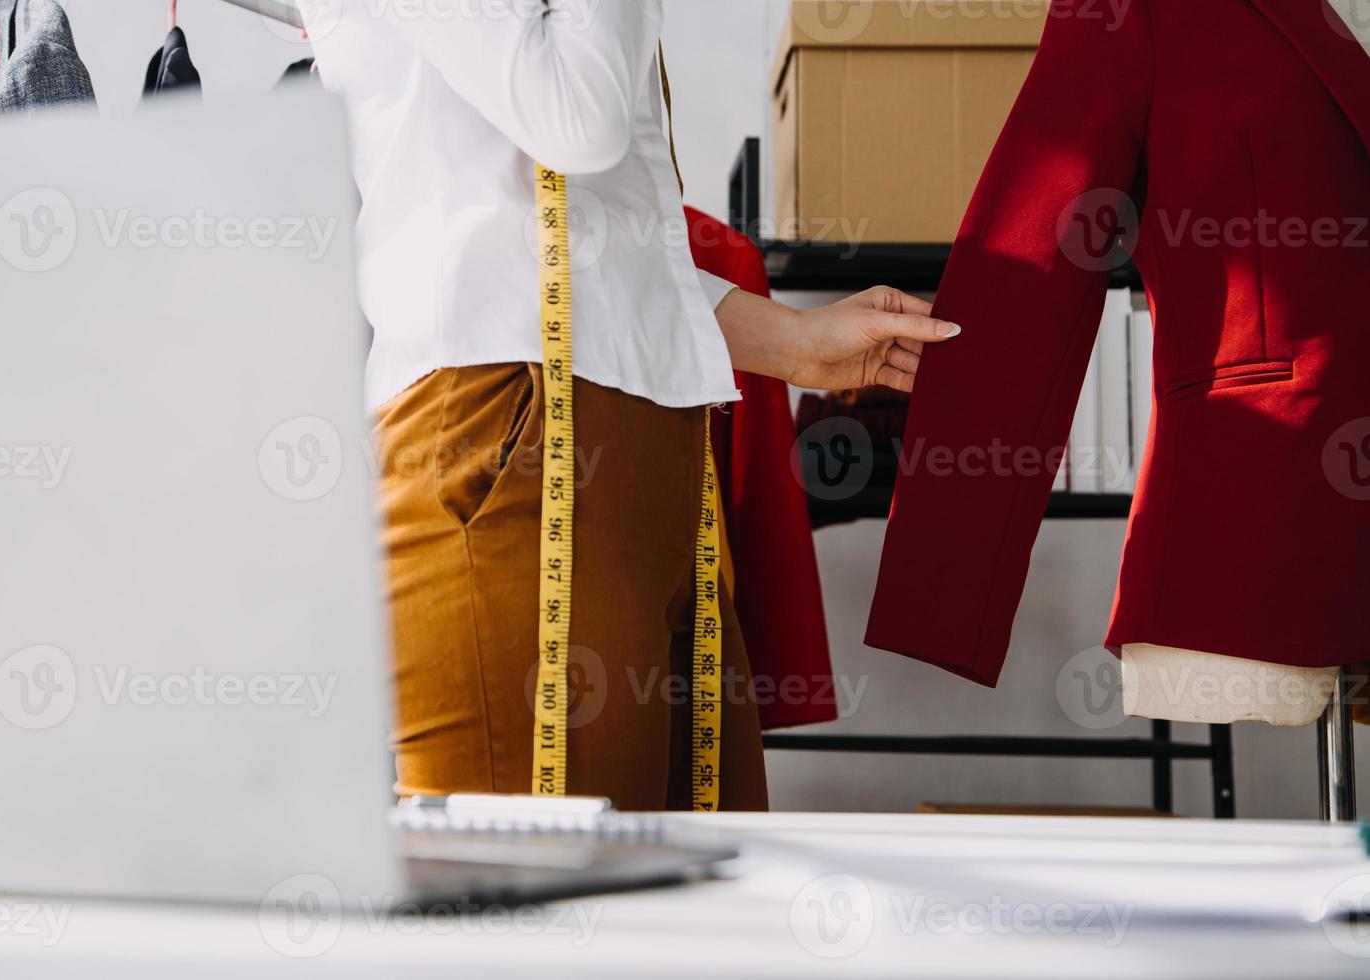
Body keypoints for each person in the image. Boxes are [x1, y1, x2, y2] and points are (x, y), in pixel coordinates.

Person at [297, 0, 961, 811]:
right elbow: (578, 117)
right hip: (510, 433)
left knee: (687, 888)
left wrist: (796, 343)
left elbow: (605, 254)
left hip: (646, 436)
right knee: (544, 899)